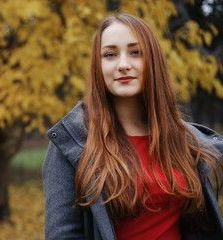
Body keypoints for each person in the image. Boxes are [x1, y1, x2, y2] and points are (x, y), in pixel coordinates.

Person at [42, 13, 223, 240]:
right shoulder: (72, 144)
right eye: (110, 55)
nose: (123, 65)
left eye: (135, 52)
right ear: (98, 66)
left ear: (153, 61)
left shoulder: (183, 139)